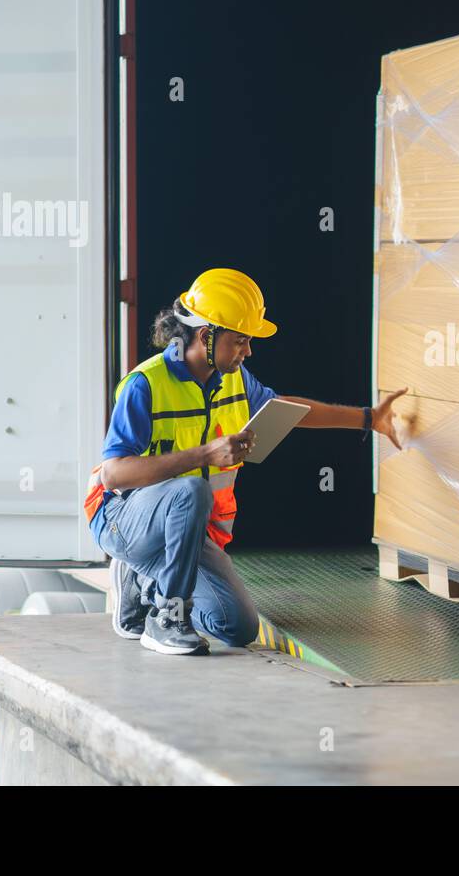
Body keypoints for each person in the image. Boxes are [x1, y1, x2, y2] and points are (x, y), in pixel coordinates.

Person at [83, 268, 407, 655]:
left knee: (235, 626)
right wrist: (204, 455)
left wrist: (368, 418)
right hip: (120, 521)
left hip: (186, 532)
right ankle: (165, 618)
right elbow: (114, 473)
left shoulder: (233, 379)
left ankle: (146, 582)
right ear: (206, 337)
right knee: (191, 488)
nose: (247, 351)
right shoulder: (146, 385)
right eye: (240, 341)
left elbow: (287, 410)